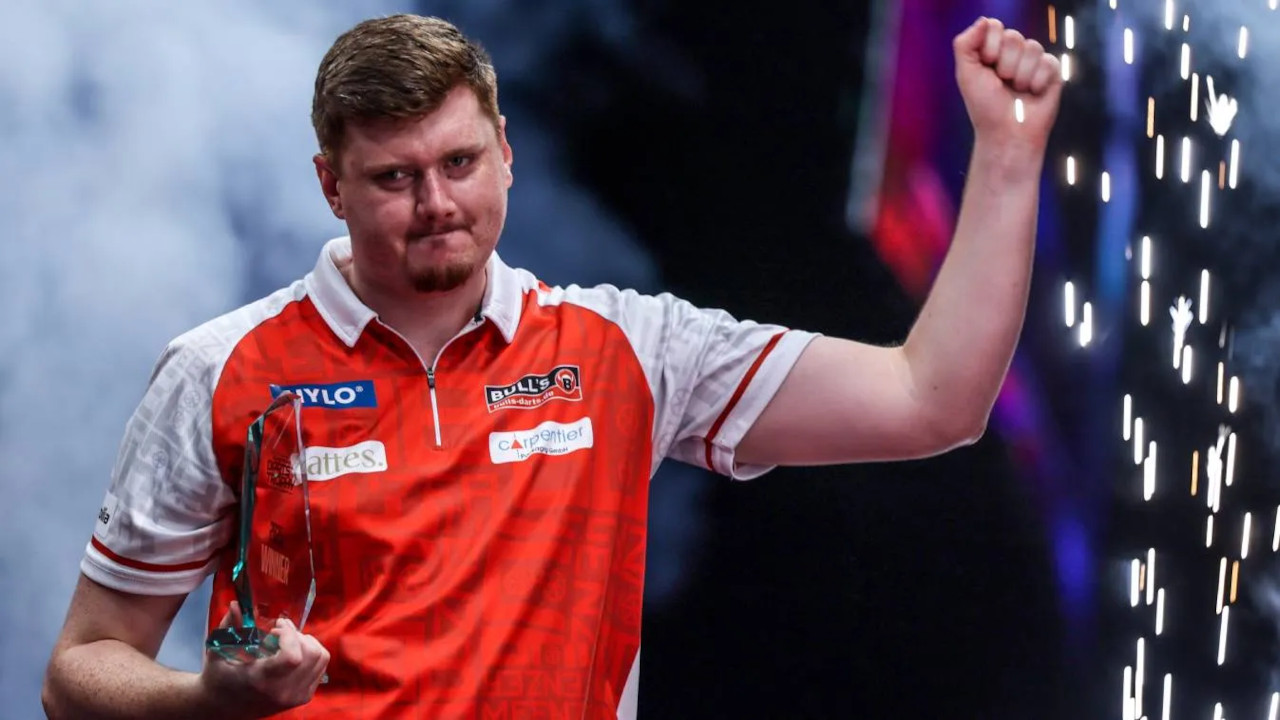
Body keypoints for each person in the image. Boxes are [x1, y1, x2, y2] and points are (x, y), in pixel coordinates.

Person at [41, 12, 1062, 720]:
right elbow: (81, 669)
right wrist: (203, 700)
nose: (436, 204)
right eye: (394, 178)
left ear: (505, 152)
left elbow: (930, 400)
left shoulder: (625, 347)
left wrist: (1006, 160)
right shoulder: (218, 372)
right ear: (330, 186)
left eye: (459, 163)